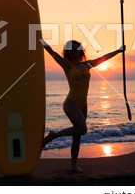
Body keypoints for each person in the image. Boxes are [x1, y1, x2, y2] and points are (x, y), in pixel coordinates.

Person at [40, 39, 124, 172]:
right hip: (71, 103)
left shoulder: (87, 65)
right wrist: (40, 39)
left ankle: (73, 166)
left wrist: (118, 51)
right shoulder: (66, 65)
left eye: (76, 48)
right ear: (67, 52)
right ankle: (53, 136)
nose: (73, 50)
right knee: (83, 129)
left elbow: (103, 58)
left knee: (77, 136)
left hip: (83, 105)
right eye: (70, 49)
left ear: (80, 50)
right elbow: (52, 52)